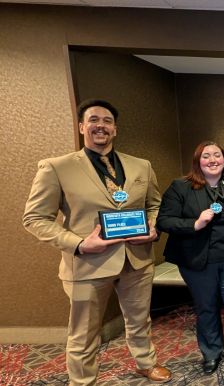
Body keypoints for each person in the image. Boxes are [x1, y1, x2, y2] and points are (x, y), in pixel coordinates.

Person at [22, 99, 171, 385]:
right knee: (84, 332)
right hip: (88, 263)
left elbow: (155, 204)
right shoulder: (57, 167)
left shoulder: (141, 166)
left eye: (106, 121)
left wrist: (153, 226)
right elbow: (35, 218)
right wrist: (78, 244)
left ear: (114, 129)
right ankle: (82, 380)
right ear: (82, 127)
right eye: (93, 120)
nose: (100, 126)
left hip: (136, 259)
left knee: (140, 320)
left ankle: (145, 363)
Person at [156, 141, 224, 378]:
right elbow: (164, 220)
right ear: (198, 161)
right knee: (206, 308)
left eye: (217, 155)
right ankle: (212, 352)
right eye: (206, 156)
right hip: (197, 261)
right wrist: (195, 223)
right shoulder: (181, 187)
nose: (213, 160)